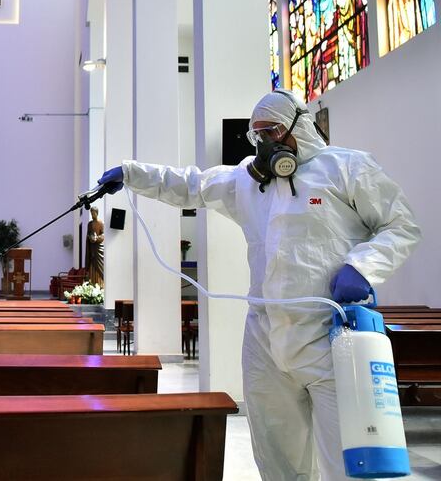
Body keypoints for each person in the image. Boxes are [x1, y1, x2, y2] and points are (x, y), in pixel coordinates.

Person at [98, 89, 421, 480]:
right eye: (257, 136)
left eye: (272, 132)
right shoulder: (247, 182)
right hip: (266, 338)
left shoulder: (348, 168)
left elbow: (400, 225)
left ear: (298, 127)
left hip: (332, 335)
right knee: (277, 457)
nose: (265, 143)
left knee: (347, 456)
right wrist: (131, 173)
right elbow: (191, 184)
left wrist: (362, 265)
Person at [85, 207, 104, 287]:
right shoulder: (89, 224)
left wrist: (97, 238)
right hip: (92, 247)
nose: (92, 215)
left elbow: (103, 234)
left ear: (97, 213)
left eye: (94, 213)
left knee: (100, 265)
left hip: (98, 248)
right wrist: (91, 237)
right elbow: (88, 234)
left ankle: (100, 284)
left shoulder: (100, 223)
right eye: (91, 213)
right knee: (92, 264)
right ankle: (92, 284)